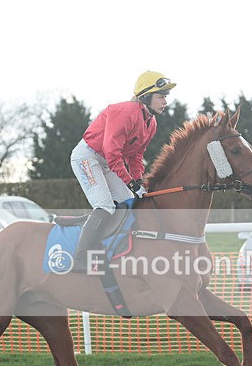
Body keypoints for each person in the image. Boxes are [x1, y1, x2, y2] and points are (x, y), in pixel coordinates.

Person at [66, 70, 176, 272]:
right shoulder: (125, 112)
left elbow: (135, 158)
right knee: (105, 205)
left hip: (107, 162)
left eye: (165, 97)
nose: (165, 102)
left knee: (129, 203)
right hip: (88, 156)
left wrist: (138, 184)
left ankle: (115, 249)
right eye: (161, 97)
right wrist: (131, 183)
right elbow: (112, 153)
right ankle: (80, 257)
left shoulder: (151, 123)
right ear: (146, 97)